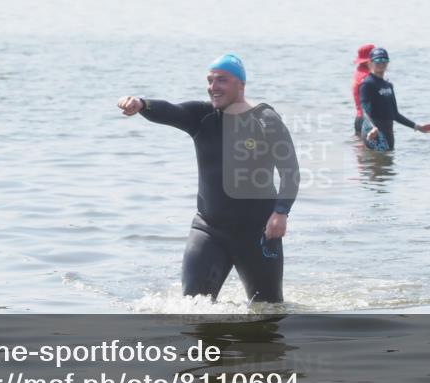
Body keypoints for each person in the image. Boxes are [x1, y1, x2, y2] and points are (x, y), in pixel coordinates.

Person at [116, 54, 299, 303]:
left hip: (258, 232)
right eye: (210, 80)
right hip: (209, 229)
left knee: (268, 311)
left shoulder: (266, 120)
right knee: (193, 306)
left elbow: (290, 171)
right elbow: (171, 110)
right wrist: (142, 104)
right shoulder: (202, 116)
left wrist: (281, 212)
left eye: (221, 80)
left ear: (241, 85)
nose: (213, 87)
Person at [358, 47, 430, 151]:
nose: (381, 63)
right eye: (377, 60)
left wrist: (417, 127)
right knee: (378, 159)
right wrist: (372, 128)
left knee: (389, 158)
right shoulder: (367, 84)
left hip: (388, 131)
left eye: (384, 60)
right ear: (370, 63)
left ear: (388, 62)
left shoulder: (388, 85)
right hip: (373, 133)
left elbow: (395, 114)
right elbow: (364, 111)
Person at [352, 43, 375, 136]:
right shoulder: (367, 77)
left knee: (360, 144)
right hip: (368, 120)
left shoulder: (359, 70)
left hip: (360, 117)